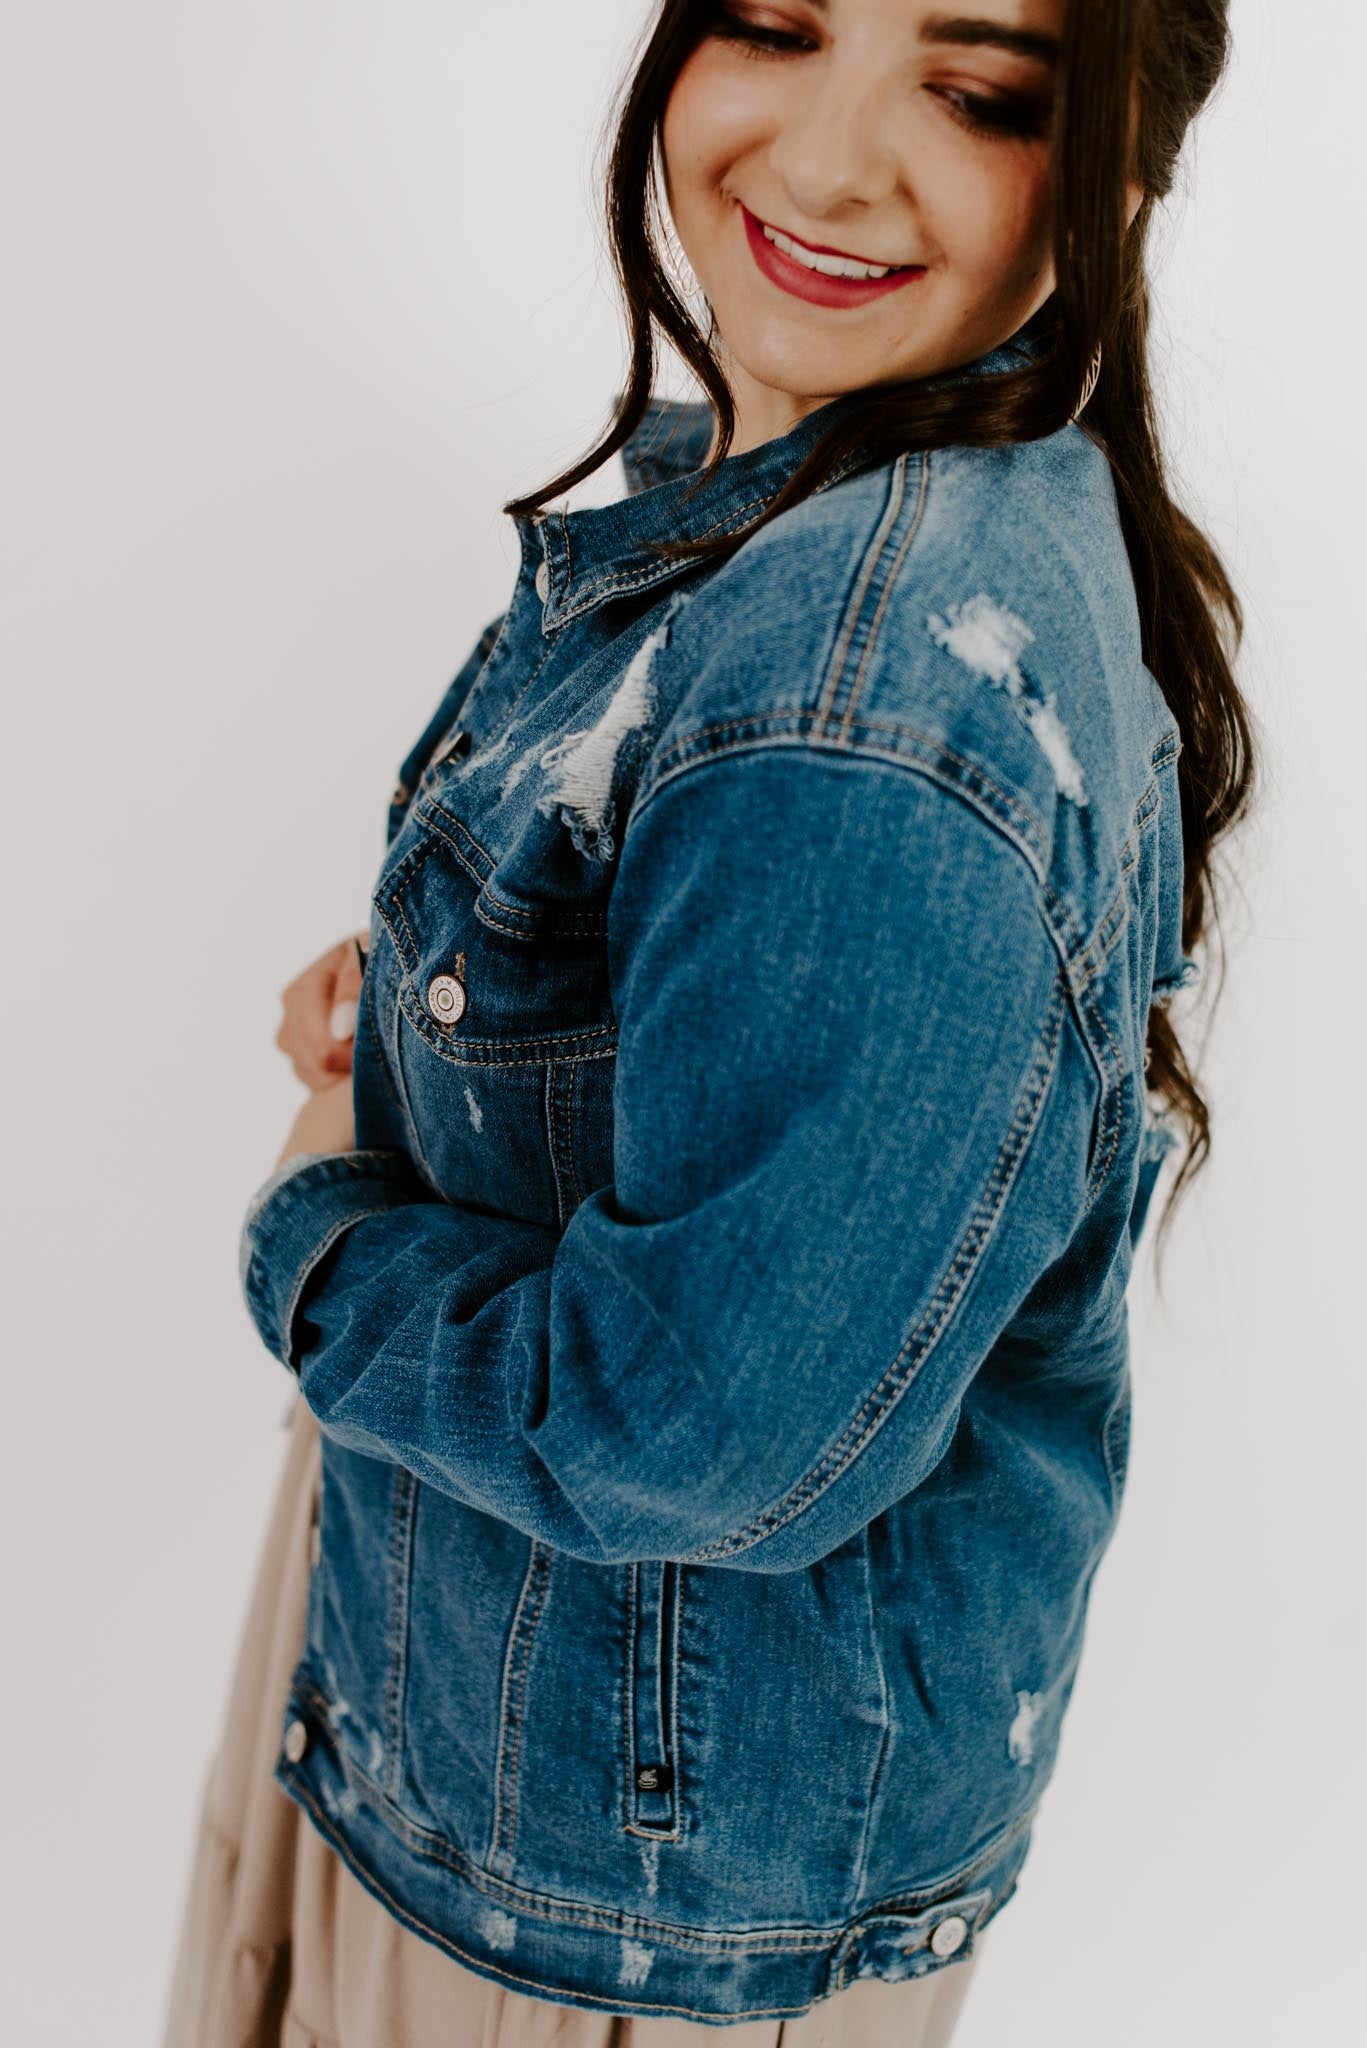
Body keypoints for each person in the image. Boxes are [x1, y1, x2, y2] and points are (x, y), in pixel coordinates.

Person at [161, 1, 1259, 2042]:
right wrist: (450, 1010)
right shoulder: (829, 498)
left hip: (600, 1897)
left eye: (978, 92)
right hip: (532, 1742)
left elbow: (685, 1438)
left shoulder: (862, 695)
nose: (829, 163)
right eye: (773, 22)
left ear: (1121, 164)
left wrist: (308, 1246)